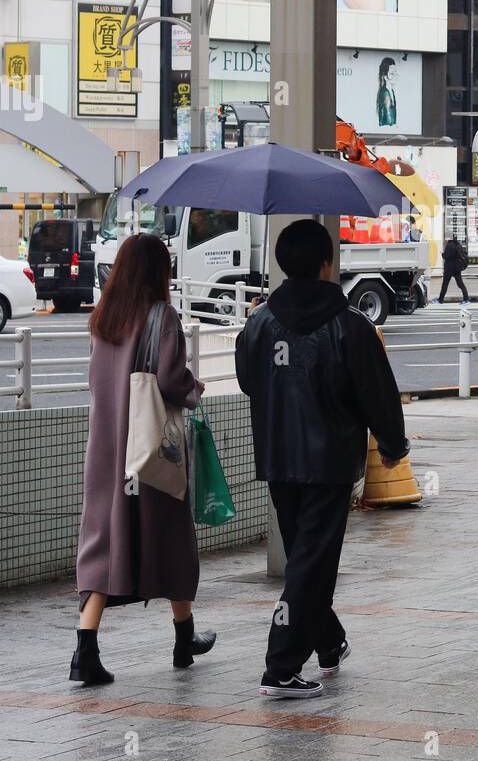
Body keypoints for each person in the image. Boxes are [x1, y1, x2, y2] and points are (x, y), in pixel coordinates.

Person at [235, 220, 408, 699]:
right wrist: (393, 446)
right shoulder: (351, 325)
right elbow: (378, 394)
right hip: (329, 463)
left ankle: (328, 643)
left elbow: (250, 380)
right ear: (328, 264)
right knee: (311, 562)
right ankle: (280, 667)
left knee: (305, 559)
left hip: (277, 456)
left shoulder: (260, 322)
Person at [72, 234, 215, 686]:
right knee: (171, 538)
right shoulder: (162, 316)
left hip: (107, 453)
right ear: (159, 272)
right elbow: (172, 380)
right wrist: (195, 388)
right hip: (151, 450)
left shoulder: (102, 318)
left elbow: (97, 383)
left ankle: (85, 651)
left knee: (105, 543)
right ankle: (182, 639)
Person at [436, 235, 470, 304]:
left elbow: (446, 257)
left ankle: (440, 300)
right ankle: (466, 299)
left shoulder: (449, 246)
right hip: (457, 269)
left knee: (445, 285)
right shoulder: (458, 245)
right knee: (460, 284)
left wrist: (442, 254)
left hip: (449, 268)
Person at [376, 57, 397, 127]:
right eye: (392, 74)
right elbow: (389, 119)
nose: (395, 76)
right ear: (385, 76)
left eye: (395, 73)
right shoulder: (385, 93)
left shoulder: (391, 91)